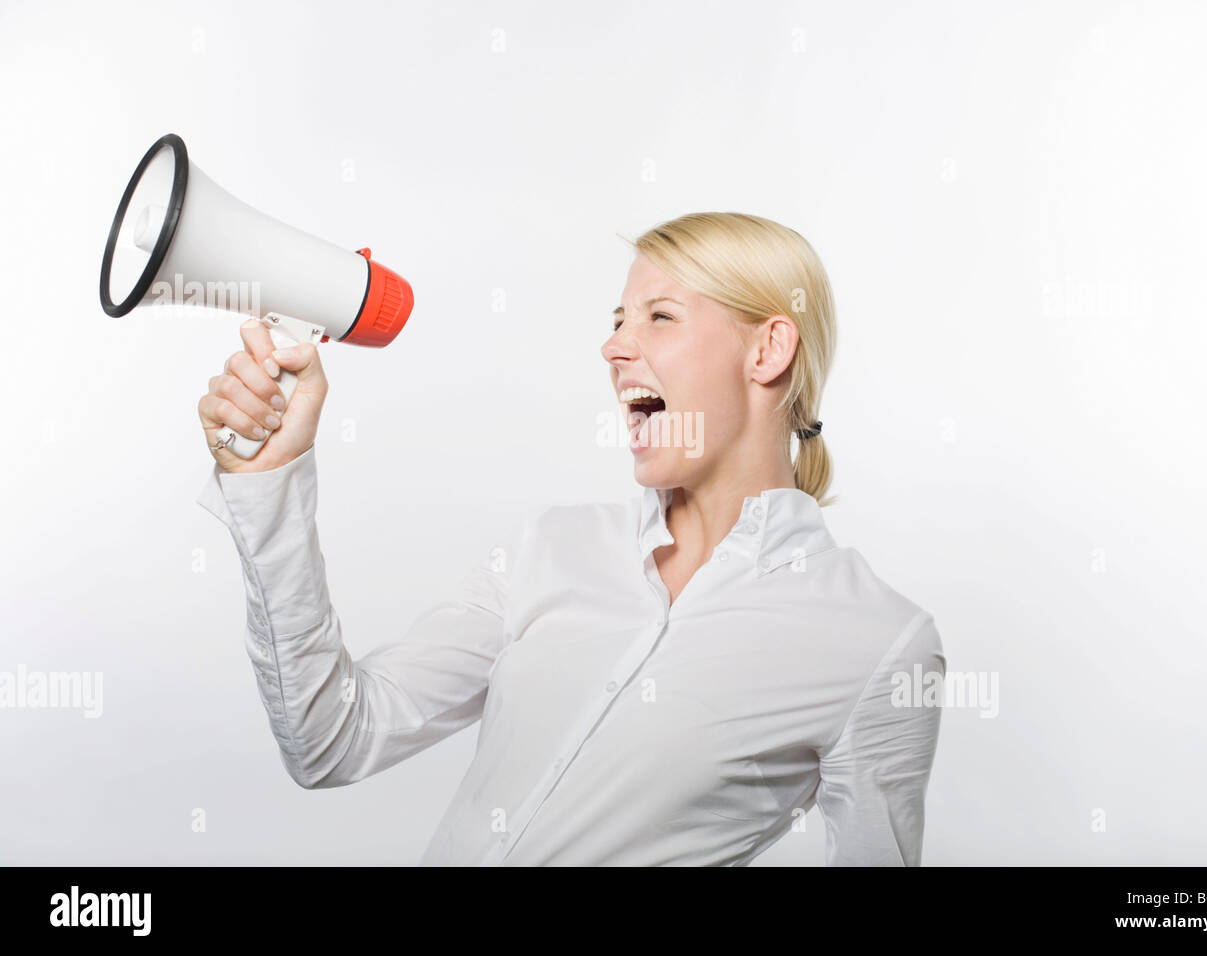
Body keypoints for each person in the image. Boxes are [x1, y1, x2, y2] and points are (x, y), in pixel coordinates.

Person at [195, 211, 946, 866]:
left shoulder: (875, 643)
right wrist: (272, 485)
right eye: (617, 319)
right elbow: (332, 740)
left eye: (658, 316)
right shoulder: (552, 548)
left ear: (767, 350)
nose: (613, 348)